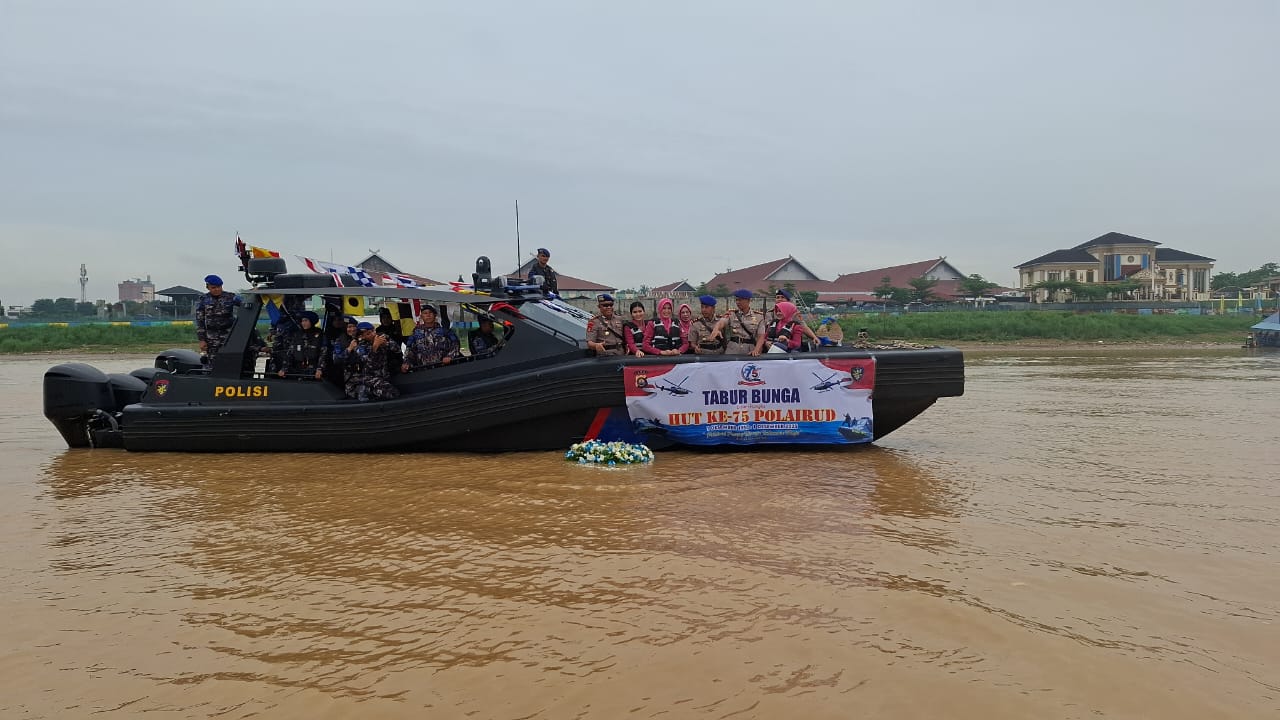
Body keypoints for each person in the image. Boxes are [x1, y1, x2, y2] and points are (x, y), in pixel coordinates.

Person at [346, 322, 400, 402]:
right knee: (391, 393)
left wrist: (387, 344)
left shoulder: (381, 337)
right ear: (362, 336)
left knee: (392, 392)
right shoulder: (359, 346)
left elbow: (397, 350)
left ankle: (371, 393)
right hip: (367, 377)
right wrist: (374, 348)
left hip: (382, 375)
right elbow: (369, 365)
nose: (372, 334)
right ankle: (364, 390)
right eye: (368, 334)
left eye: (373, 331)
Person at [195, 274, 241, 362]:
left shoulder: (231, 297)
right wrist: (202, 340)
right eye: (213, 288)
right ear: (208, 287)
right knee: (213, 362)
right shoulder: (203, 300)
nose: (217, 289)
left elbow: (246, 305)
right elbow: (200, 321)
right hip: (212, 337)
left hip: (228, 335)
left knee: (230, 360)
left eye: (219, 287)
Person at [402, 304, 460, 370]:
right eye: (425, 313)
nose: (428, 315)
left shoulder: (445, 331)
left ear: (435, 315)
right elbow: (409, 350)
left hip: (444, 367)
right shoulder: (416, 333)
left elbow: (456, 343)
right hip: (424, 370)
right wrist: (406, 363)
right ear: (421, 317)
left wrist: (450, 356)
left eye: (430, 312)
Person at [711, 289, 764, 356]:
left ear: (748, 301)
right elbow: (722, 321)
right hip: (733, 349)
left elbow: (761, 336)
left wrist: (756, 350)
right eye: (736, 300)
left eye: (740, 300)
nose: (738, 302)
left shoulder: (759, 316)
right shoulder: (732, 314)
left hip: (749, 350)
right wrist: (716, 328)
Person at [277, 311, 325, 379]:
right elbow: (290, 352)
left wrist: (319, 369)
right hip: (298, 369)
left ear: (312, 321)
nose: (303, 323)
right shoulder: (297, 335)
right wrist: (284, 368)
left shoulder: (320, 335)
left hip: (313, 371)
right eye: (302, 321)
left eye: (306, 321)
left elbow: (323, 353)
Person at [320, 315, 358, 387]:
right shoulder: (340, 340)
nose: (352, 329)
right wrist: (349, 349)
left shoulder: (361, 338)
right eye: (349, 327)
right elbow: (336, 359)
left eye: (354, 326)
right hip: (345, 374)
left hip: (361, 374)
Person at [376, 306, 406, 374]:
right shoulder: (378, 330)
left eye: (388, 317)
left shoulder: (397, 329)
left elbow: (405, 342)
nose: (386, 320)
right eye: (384, 318)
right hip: (383, 360)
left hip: (396, 358)